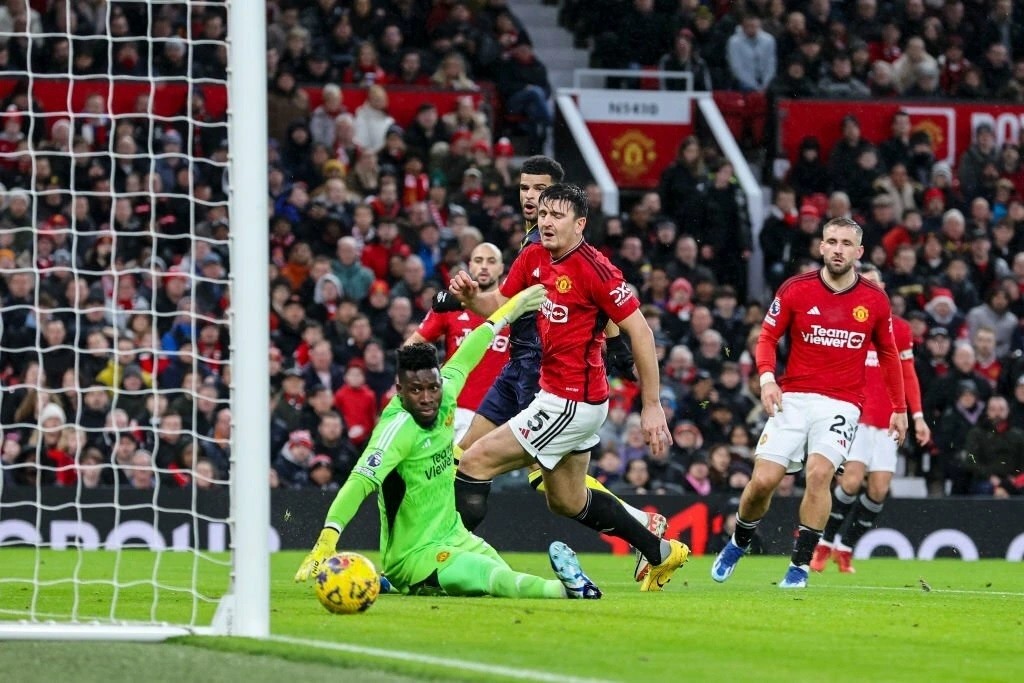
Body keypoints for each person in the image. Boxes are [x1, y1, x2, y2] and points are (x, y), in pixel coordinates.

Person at [433, 156, 667, 583]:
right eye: (542, 213)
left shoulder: (596, 269)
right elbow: (499, 305)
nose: (545, 220)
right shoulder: (533, 255)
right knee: (565, 499)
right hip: (547, 388)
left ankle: (444, 563)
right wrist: (469, 297)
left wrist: (651, 405)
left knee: (473, 462)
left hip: (572, 400)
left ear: (580, 224)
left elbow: (642, 331)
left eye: (556, 214)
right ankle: (658, 548)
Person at [294, 285, 602, 599]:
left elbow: (474, 345)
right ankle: (572, 590)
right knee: (488, 576)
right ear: (400, 390)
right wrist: (328, 538)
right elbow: (359, 482)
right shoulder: (396, 429)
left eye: (433, 387)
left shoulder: (447, 391)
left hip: (454, 534)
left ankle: (390, 585)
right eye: (416, 390)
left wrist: (513, 309)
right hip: (414, 555)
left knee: (499, 574)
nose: (427, 398)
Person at [711, 217, 909, 588]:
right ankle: (738, 541)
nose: (838, 249)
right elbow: (767, 338)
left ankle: (799, 565)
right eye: (831, 241)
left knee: (819, 474)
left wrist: (899, 408)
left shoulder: (874, 299)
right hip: (794, 397)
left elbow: (888, 354)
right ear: (820, 246)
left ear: (859, 251)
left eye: (846, 243)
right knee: (763, 481)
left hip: (842, 402)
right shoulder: (796, 289)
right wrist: (767, 380)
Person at [810, 264, 932, 574]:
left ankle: (846, 548)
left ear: (884, 288)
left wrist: (917, 416)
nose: (872, 288)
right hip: (856, 416)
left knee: (878, 489)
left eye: (876, 283)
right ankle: (823, 544)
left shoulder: (899, 329)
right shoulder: (846, 321)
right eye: (866, 283)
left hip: (887, 420)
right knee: (851, 481)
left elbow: (907, 374)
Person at [404, 243, 510, 443]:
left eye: (491, 261)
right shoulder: (450, 304)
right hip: (449, 408)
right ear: (470, 266)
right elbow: (411, 346)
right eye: (478, 260)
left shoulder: (513, 308)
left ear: (501, 268)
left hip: (493, 415)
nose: (484, 266)